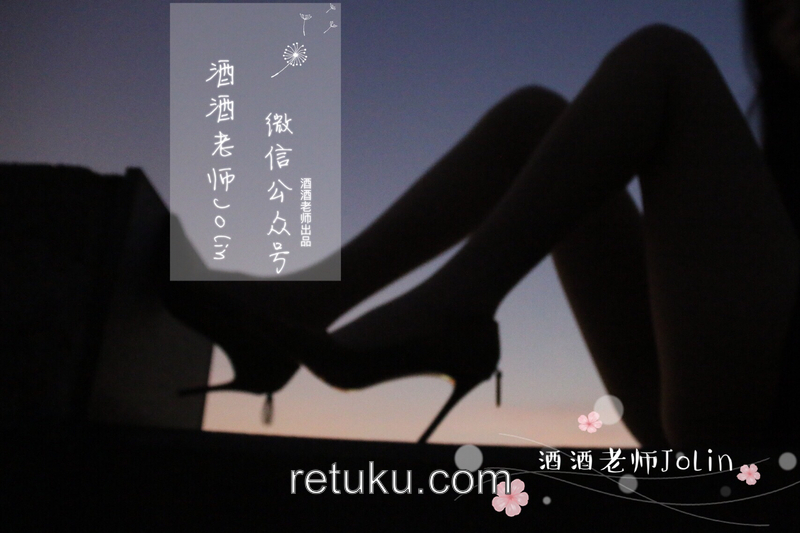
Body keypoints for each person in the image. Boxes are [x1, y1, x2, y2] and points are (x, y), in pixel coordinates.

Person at [167, 0, 800, 448]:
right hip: (711, 397)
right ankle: (305, 309)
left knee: (664, 57)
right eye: (773, 11)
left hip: (763, 425)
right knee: (535, 120)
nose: (787, 16)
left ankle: (453, 310)